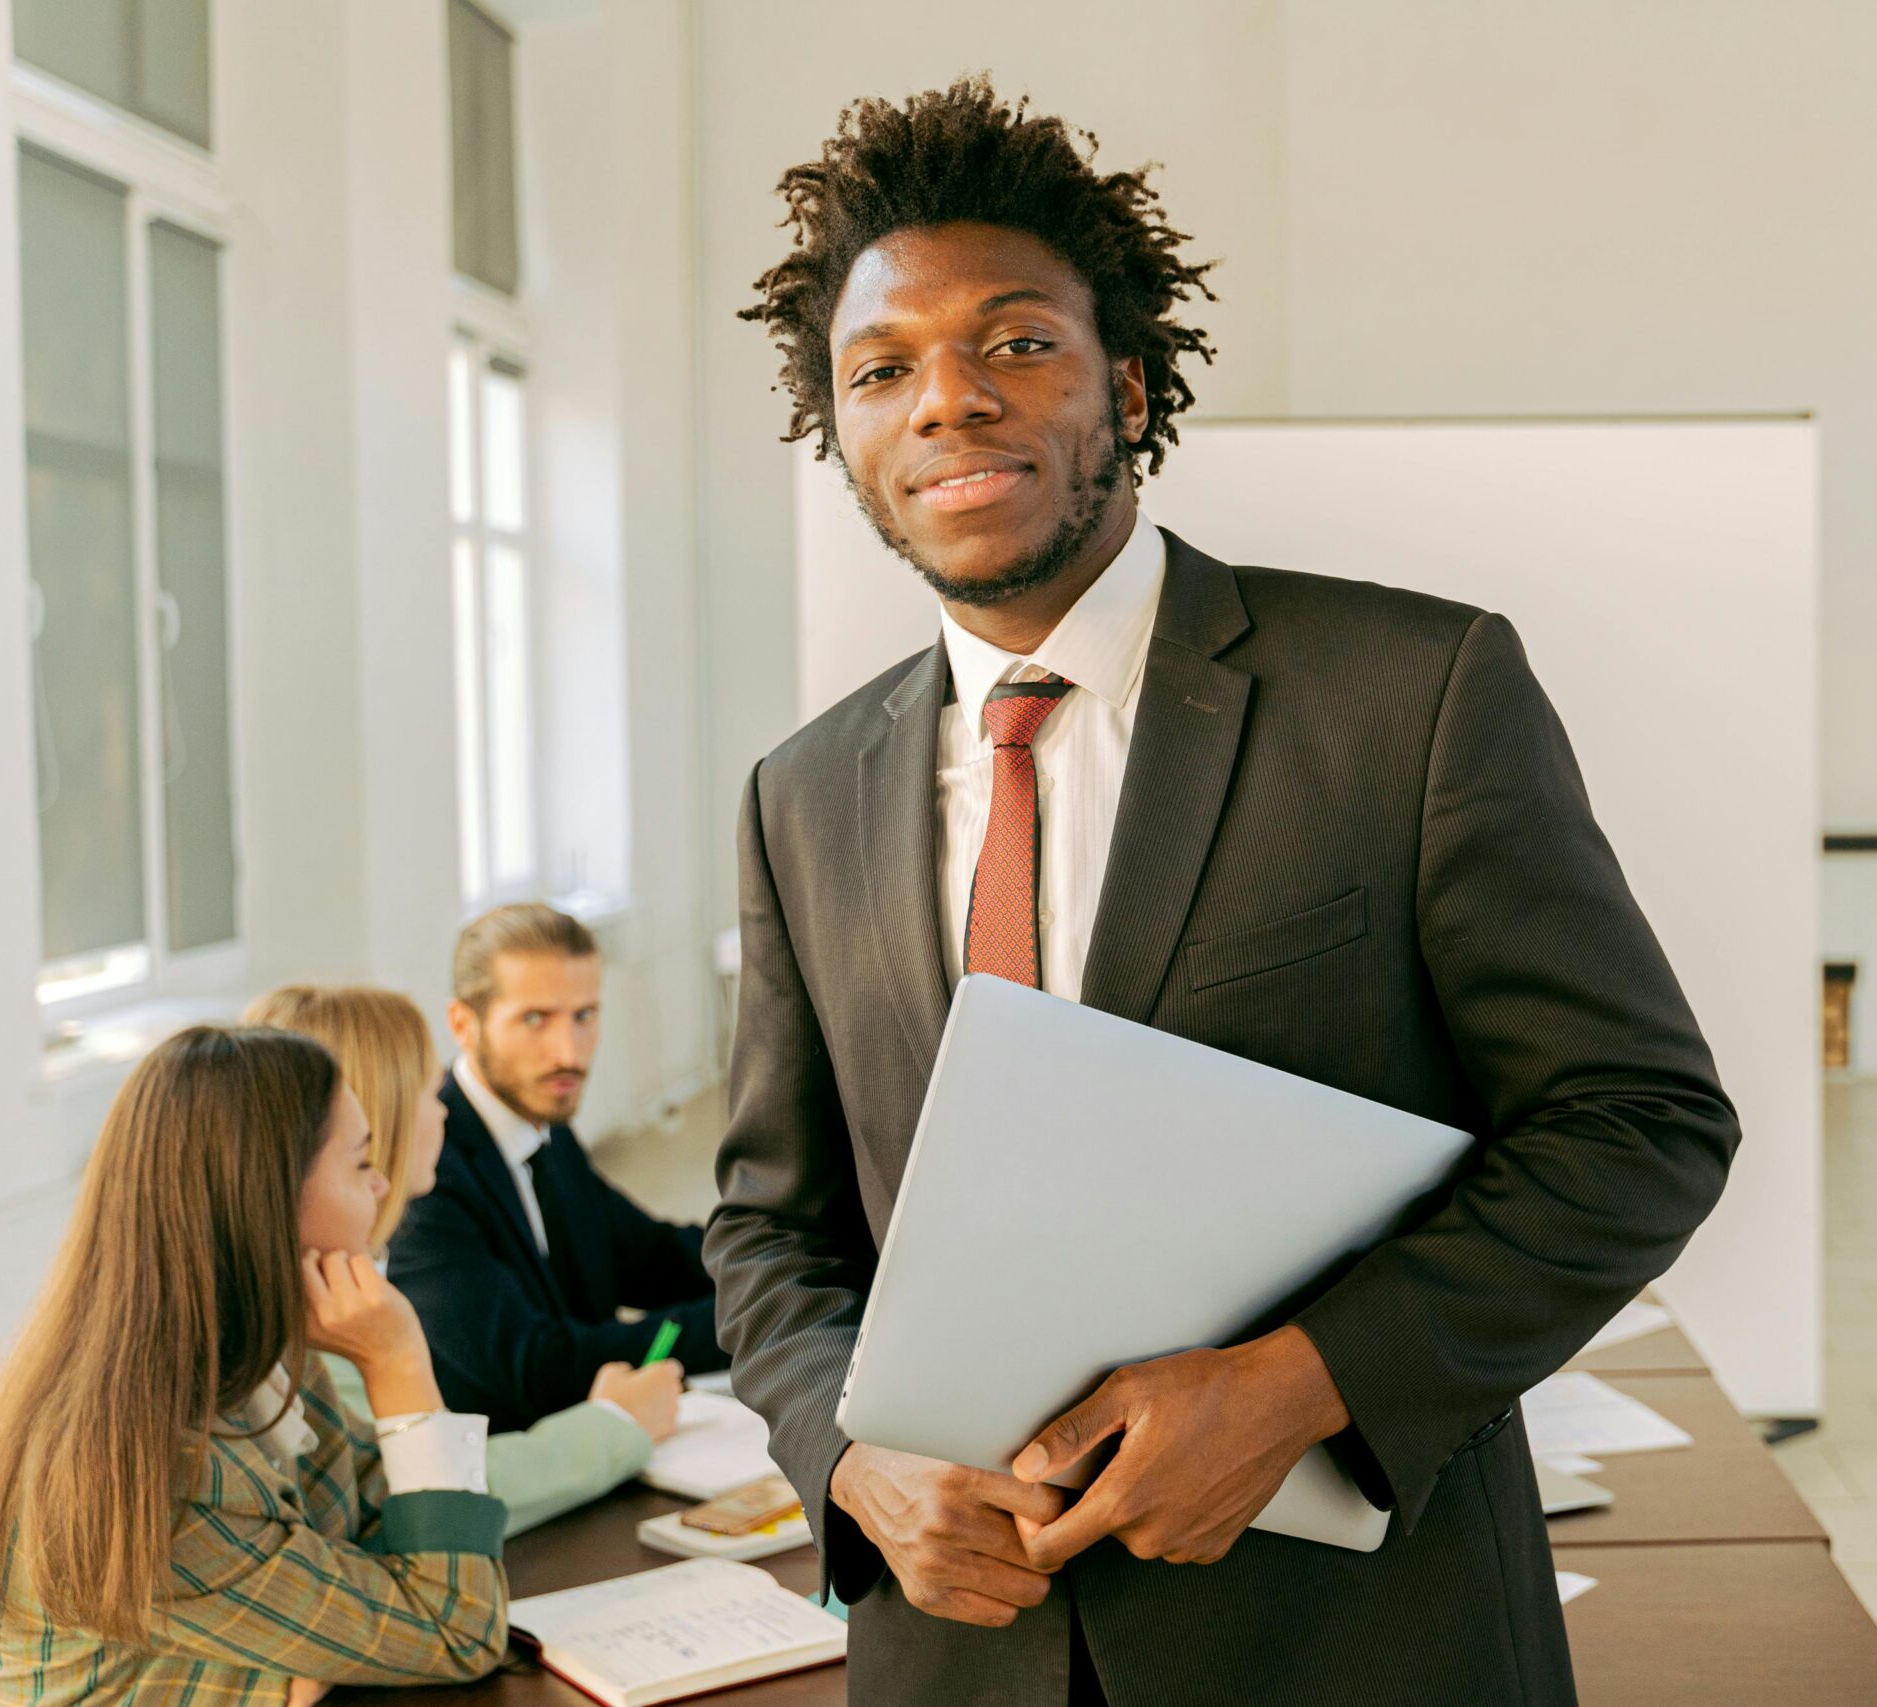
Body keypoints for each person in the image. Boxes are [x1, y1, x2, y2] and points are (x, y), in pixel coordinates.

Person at [708, 78, 1744, 1707]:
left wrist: (1299, 1383)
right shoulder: (803, 793)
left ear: (1123, 377)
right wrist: (847, 1451)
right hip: (960, 1644)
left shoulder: (1409, 695)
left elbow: (1636, 1122)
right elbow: (773, 1226)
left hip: (1350, 1642)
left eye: (1017, 341)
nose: (950, 401)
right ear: (836, 432)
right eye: (882, 369)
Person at [0, 1026, 507, 1704]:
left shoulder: (267, 1363)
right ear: (267, 1204)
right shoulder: (157, 1466)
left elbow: (397, 1541)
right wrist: (400, 1362)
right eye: (359, 1162)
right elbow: (457, 1626)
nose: (382, 1184)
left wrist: (327, 1649)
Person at [246, 984, 683, 1534]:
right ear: (381, 1116)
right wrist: (613, 1425)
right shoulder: (326, 1306)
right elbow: (428, 1489)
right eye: (433, 1092)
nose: (445, 1111)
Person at [390, 903, 728, 1433]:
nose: (568, 1052)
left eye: (584, 1016)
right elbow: (538, 1367)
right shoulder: (426, 1170)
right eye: (534, 1019)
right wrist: (758, 1319)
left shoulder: (545, 1127)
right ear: (463, 1024)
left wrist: (791, 1266)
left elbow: (649, 1255)